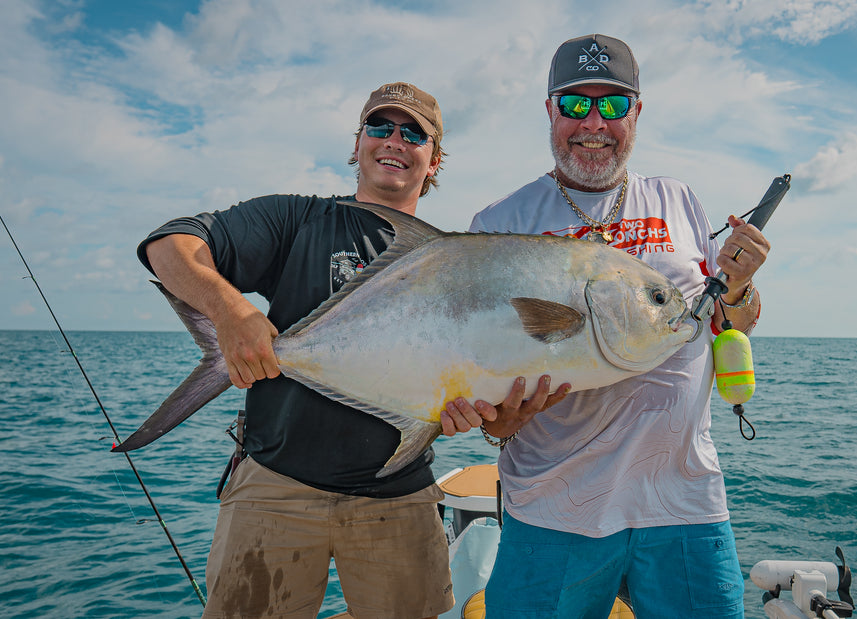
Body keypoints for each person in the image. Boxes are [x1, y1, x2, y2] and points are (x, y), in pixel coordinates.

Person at [443, 35, 770, 618]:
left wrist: (740, 286)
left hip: (684, 504)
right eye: (575, 104)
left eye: (613, 106)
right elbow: (478, 361)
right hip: (553, 509)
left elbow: (728, 320)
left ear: (637, 113)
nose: (594, 122)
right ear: (549, 110)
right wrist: (498, 423)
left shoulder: (681, 201)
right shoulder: (499, 223)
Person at [138, 82, 479, 619]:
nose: (395, 140)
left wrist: (470, 409)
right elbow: (169, 245)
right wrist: (232, 313)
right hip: (275, 484)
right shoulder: (297, 219)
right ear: (358, 142)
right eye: (380, 126)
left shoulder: (454, 262)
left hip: (400, 494)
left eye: (414, 133)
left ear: (434, 161)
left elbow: (463, 366)